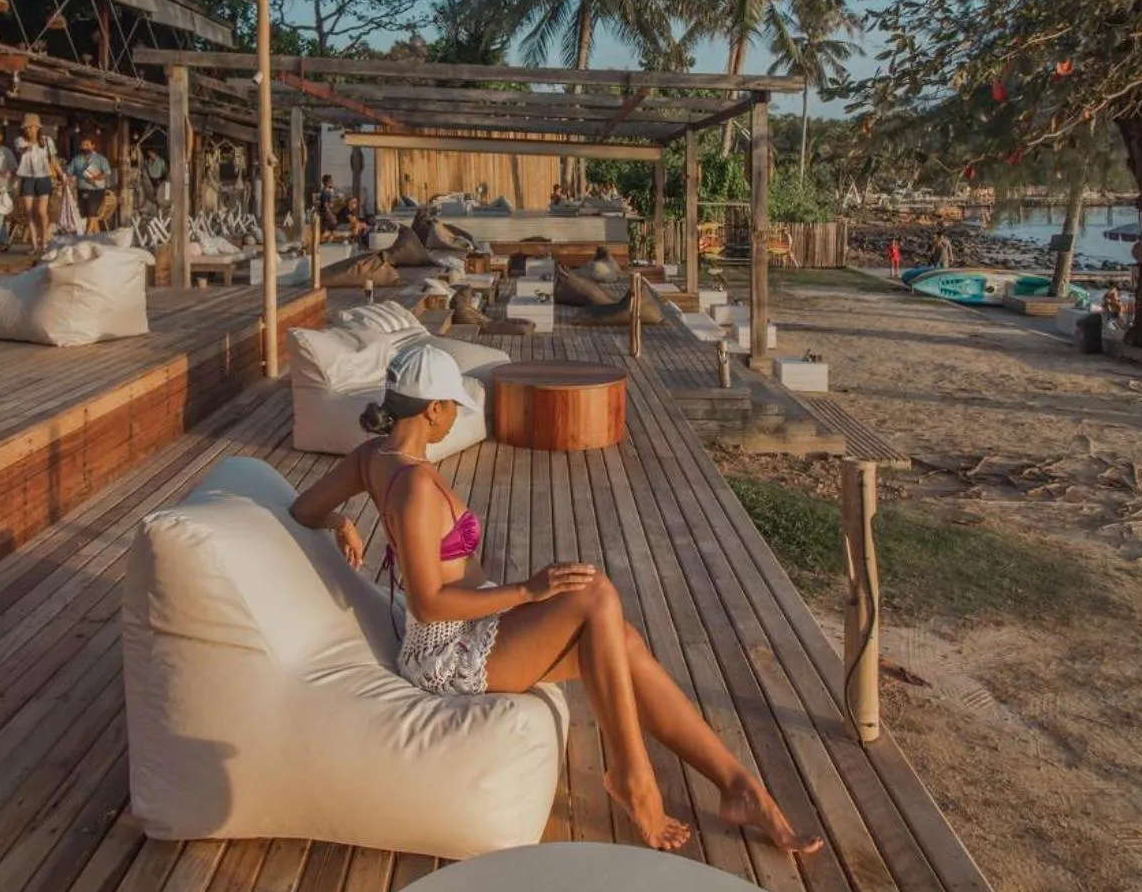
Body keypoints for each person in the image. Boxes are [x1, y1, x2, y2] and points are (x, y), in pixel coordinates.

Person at [287, 345, 824, 856]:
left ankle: (738, 786)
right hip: (444, 656)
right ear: (433, 411)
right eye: (453, 408)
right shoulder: (414, 486)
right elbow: (428, 605)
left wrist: (341, 520)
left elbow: (305, 509)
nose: (455, 419)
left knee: (623, 640)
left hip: (468, 631)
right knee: (594, 594)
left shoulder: (372, 459)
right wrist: (528, 590)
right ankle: (633, 775)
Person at [11, 114, 60, 252]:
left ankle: (44, 241)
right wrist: (31, 144)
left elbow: (53, 159)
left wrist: (62, 175)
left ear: (38, 128)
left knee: (41, 211)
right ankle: (34, 245)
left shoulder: (47, 140)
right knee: (28, 212)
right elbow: (22, 149)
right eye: (27, 127)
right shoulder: (19, 140)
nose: (29, 130)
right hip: (27, 177)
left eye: (32, 127)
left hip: (44, 177)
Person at [67, 132, 114, 231]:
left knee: (92, 213)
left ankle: (87, 235)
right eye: (83, 145)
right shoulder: (76, 159)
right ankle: (96, 236)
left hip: (96, 190)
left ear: (93, 146)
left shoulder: (100, 159)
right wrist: (69, 179)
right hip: (82, 190)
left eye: (87, 145)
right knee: (88, 214)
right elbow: (70, 172)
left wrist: (96, 177)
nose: (85, 147)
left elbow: (107, 172)